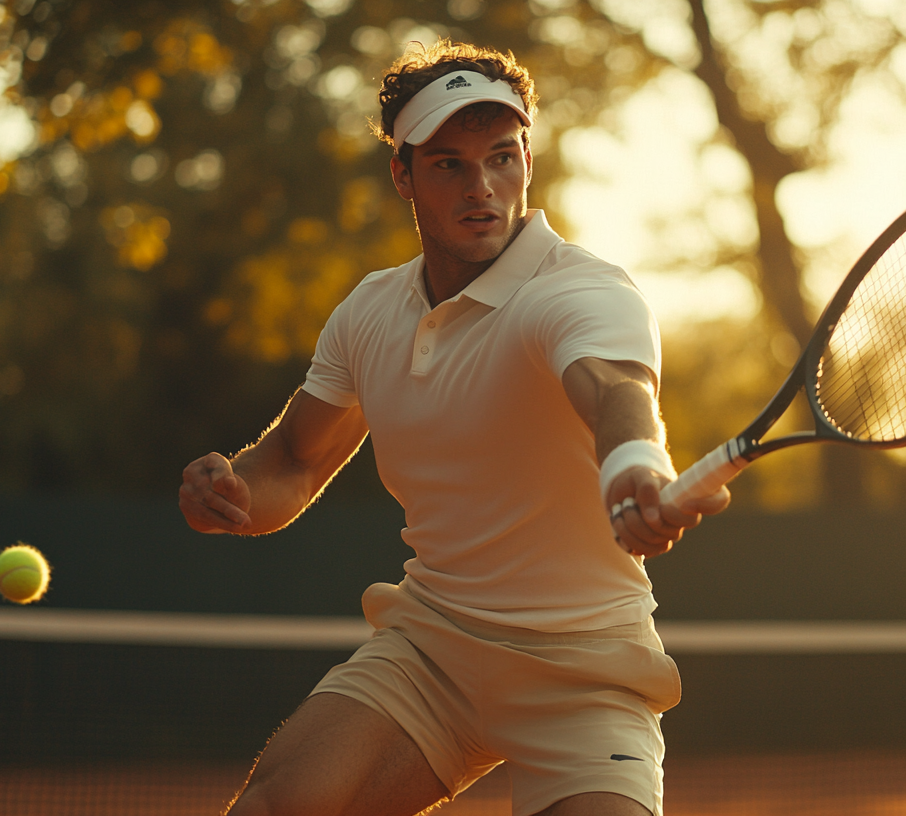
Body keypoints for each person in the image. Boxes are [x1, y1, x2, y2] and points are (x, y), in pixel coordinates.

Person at [178, 40, 729, 816]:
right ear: (402, 172)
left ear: (527, 160)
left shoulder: (582, 291)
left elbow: (612, 388)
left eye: (502, 158)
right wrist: (232, 489)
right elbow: (295, 463)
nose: (482, 188)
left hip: (584, 670)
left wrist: (634, 464)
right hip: (432, 650)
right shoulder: (370, 311)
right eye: (449, 164)